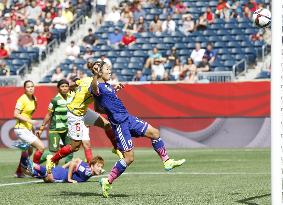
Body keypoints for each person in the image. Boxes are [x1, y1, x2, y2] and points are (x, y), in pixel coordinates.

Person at [89, 62, 186, 198]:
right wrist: (95, 74)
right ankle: (107, 180)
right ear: (99, 72)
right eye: (107, 69)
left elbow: (99, 108)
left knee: (155, 133)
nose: (110, 71)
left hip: (128, 118)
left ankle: (167, 161)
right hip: (120, 125)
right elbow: (96, 101)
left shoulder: (107, 86)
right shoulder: (96, 86)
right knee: (129, 158)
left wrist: (113, 91)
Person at [46, 60, 123, 172]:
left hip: (84, 111)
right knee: (75, 147)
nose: (107, 71)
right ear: (98, 72)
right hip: (75, 114)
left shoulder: (91, 81)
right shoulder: (91, 82)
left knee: (107, 125)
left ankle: (116, 148)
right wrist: (70, 89)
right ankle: (52, 160)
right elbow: (75, 86)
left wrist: (114, 90)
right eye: (102, 69)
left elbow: (74, 85)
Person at [36, 80, 74, 164]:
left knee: (71, 149)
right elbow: (49, 114)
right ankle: (34, 163)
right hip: (55, 129)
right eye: (62, 86)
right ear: (58, 88)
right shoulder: (55, 100)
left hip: (66, 129)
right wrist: (42, 128)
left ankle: (67, 169)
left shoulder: (71, 98)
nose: (64, 88)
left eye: (66, 86)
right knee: (53, 152)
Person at [13, 80, 45, 177]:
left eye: (32, 86)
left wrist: (32, 129)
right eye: (28, 87)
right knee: (41, 147)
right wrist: (30, 121)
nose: (31, 88)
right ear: (24, 88)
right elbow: (15, 114)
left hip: (27, 128)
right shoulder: (22, 99)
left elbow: (29, 115)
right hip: (20, 129)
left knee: (29, 150)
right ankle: (34, 170)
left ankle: (19, 171)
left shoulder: (34, 99)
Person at [21, 156, 104, 183]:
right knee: (48, 177)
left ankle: (25, 164)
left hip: (61, 171)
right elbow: (73, 163)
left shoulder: (86, 167)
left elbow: (77, 159)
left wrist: (63, 167)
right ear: (92, 166)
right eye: (98, 166)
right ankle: (33, 164)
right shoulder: (87, 171)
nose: (100, 169)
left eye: (101, 167)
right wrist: (69, 179)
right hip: (61, 175)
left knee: (31, 173)